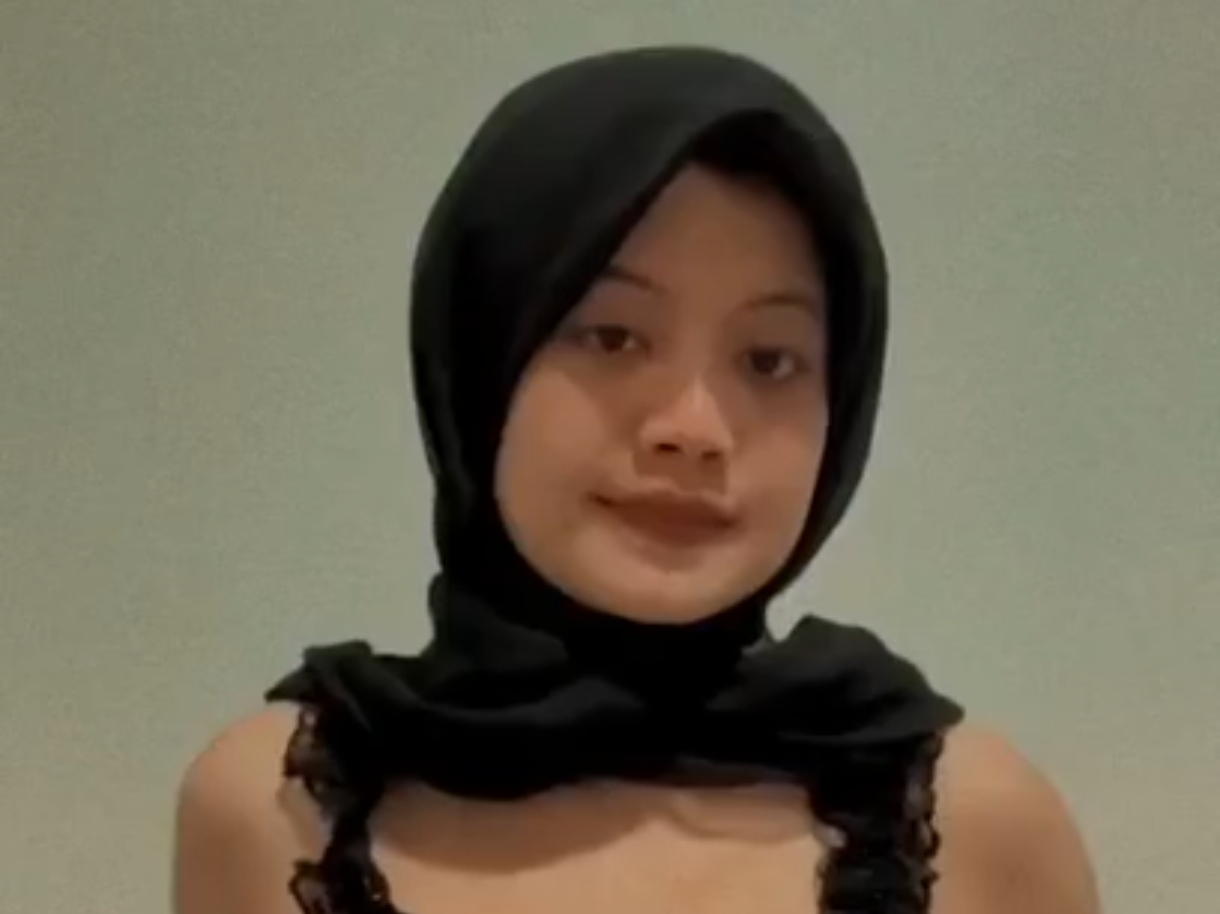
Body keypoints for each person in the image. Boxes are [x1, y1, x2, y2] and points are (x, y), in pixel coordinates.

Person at [173, 46, 1101, 914]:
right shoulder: (278, 810)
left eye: (770, 360)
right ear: (482, 358)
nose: (693, 431)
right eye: (612, 337)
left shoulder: (973, 826)